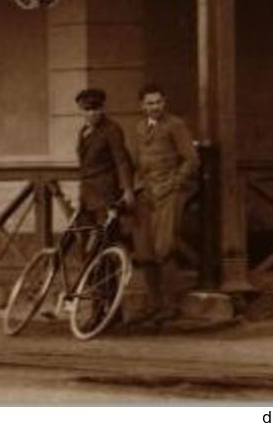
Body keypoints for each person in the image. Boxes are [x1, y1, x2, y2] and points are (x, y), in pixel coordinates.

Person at [128, 82, 200, 322]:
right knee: (145, 250)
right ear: (142, 105)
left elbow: (191, 159)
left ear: (164, 102)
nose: (154, 107)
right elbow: (136, 162)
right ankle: (154, 304)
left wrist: (175, 182)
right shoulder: (139, 127)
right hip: (145, 194)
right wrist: (135, 187)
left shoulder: (175, 125)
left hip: (168, 192)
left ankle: (171, 305)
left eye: (158, 102)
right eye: (149, 103)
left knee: (165, 247)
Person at [73, 88, 133, 229]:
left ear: (102, 108)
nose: (92, 113)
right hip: (87, 192)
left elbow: (121, 160)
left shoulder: (111, 129)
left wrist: (127, 189)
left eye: (96, 109)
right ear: (81, 110)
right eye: (87, 110)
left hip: (104, 192)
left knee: (105, 233)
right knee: (83, 232)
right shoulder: (83, 131)